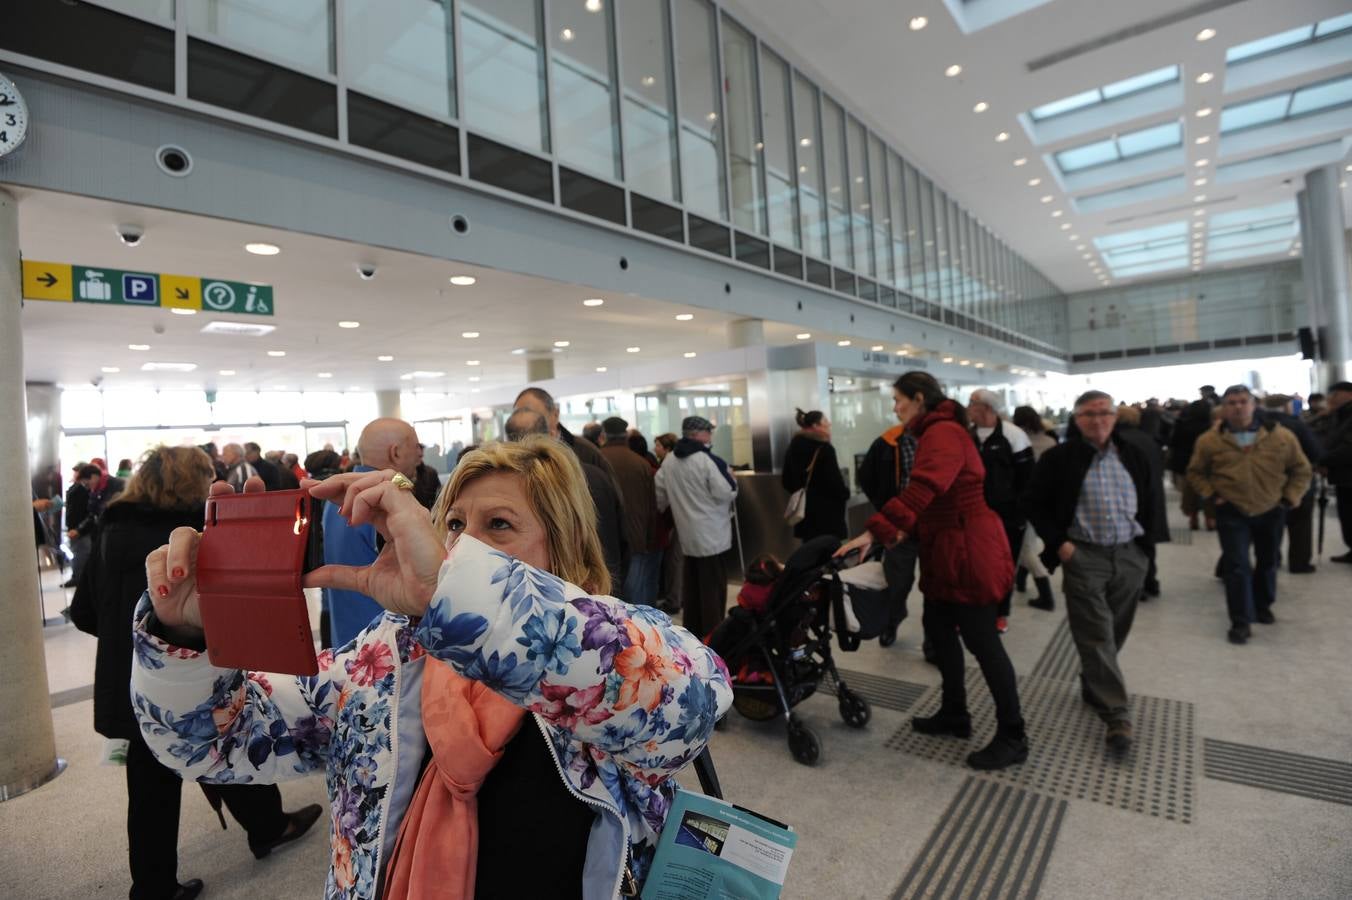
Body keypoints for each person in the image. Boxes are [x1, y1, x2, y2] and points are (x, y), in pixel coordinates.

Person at [130, 436, 731, 899]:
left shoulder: (617, 645)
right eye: (453, 526)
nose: (462, 548)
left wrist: (468, 598)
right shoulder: (379, 663)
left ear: (564, 542)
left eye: (498, 525)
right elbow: (216, 741)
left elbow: (694, 705)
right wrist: (187, 632)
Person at [69, 446, 321, 900]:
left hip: (127, 677)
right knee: (215, 746)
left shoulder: (112, 527)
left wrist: (123, 635)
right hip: (192, 671)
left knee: (153, 787)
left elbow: (82, 611)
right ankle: (266, 827)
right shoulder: (196, 535)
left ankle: (155, 883)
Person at [837, 372, 1026, 770]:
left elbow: (925, 488)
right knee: (940, 632)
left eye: (898, 399)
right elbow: (933, 503)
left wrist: (877, 530)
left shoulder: (942, 432)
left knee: (984, 643)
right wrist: (900, 531)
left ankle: (1013, 734)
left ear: (919, 398)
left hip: (967, 549)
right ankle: (955, 712)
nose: (895, 407)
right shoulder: (939, 430)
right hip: (946, 547)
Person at [1023, 390, 1155, 751]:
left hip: (1129, 555)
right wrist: (1061, 545)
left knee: (1115, 630)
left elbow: (1151, 500)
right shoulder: (1059, 458)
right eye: (1088, 414)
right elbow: (1033, 502)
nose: (1097, 420)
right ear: (1077, 420)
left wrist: (1146, 554)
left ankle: (1094, 681)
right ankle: (1117, 716)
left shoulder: (1133, 455)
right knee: (1096, 634)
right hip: (1084, 557)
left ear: (1114, 417)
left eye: (1104, 413)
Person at [1188, 386, 1312, 644]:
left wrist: (1290, 497)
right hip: (1232, 510)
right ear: (1224, 408)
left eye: (1243, 402)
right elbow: (1196, 472)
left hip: (1271, 508)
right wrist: (1212, 496)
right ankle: (1240, 620)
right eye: (1231, 402)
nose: (1237, 407)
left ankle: (1263, 605)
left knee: (1268, 562)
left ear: (1254, 405)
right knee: (1236, 566)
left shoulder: (1280, 436)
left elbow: (1301, 469)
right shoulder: (1210, 441)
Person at [506, 407, 629, 593]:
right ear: (551, 434)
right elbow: (618, 538)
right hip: (594, 587)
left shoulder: (504, 491)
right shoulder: (591, 475)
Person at [324, 417, 421, 646]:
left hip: (347, 639)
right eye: (416, 447)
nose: (420, 455)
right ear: (395, 452)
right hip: (386, 645)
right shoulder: (390, 501)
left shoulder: (335, 497)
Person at [655, 416, 738, 639]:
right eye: (708, 431)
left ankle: (694, 633)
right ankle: (714, 636)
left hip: (687, 536)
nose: (710, 435)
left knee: (692, 589)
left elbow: (659, 496)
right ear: (698, 434)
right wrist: (732, 479)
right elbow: (725, 492)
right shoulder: (706, 460)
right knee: (713, 589)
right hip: (713, 537)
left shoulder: (670, 460)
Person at [966, 389, 1033, 632]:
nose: (968, 407)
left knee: (1004, 566)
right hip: (972, 518)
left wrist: (1020, 515)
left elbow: (1028, 480)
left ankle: (1000, 613)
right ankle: (973, 611)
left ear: (986, 408)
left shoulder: (1014, 436)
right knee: (972, 566)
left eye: (972, 403)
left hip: (1007, 518)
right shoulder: (966, 436)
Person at [857, 407, 919, 646]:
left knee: (938, 586)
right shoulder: (888, 441)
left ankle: (936, 640)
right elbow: (866, 476)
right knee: (897, 580)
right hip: (899, 525)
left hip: (935, 526)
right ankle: (892, 620)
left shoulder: (940, 442)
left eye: (899, 400)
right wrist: (884, 507)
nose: (894, 407)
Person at [599, 416, 661, 606]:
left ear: (604, 435)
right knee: (636, 596)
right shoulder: (640, 463)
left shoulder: (597, 460)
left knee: (609, 596)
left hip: (604, 538)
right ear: (625, 435)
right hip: (636, 536)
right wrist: (650, 538)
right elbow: (652, 505)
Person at [1261, 394, 1324, 573]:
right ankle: (1299, 562)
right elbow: (1315, 452)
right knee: (1300, 523)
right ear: (1286, 406)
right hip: (1298, 481)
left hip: (1267, 483)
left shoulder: (1257, 425)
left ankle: (1272, 559)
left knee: (1271, 524)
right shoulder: (1297, 425)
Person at [1114, 406, 1171, 599]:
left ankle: (1138, 585)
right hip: (1152, 496)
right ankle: (1150, 581)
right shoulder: (1148, 439)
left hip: (1131, 498)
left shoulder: (1118, 442)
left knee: (1130, 544)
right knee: (1147, 542)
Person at [514, 387, 618, 487]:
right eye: (518, 414)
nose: (525, 422)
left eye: (534, 415)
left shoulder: (586, 453)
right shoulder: (511, 457)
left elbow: (608, 496)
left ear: (555, 414)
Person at [780, 408, 851, 543]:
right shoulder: (824, 449)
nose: (829, 424)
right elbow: (834, 483)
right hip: (827, 516)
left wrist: (803, 493)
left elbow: (786, 480)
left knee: (810, 553)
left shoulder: (793, 446)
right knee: (829, 553)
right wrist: (845, 494)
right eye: (825, 421)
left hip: (805, 514)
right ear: (815, 426)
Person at [1012, 406, 1057, 610]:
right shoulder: (1050, 442)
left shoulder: (1018, 442)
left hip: (1024, 501)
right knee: (1026, 544)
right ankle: (1020, 582)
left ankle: (1046, 595)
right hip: (1047, 502)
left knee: (1026, 547)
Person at [1312, 382, 1352, 562]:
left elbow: (1348, 448)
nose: (1330, 399)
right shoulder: (1339, 415)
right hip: (1343, 475)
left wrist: (1322, 459)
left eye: (1335, 394)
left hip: (1347, 472)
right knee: (1347, 515)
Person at [1168, 400, 1216, 531]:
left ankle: (1193, 518)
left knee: (1189, 492)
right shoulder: (1211, 427)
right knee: (1208, 491)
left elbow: (1173, 442)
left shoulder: (1181, 424)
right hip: (1207, 463)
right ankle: (1210, 519)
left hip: (1185, 461)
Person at [64, 463, 102, 587]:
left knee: (81, 554)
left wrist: (78, 529)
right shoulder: (79, 488)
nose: (75, 474)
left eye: (76, 471)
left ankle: (79, 579)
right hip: (78, 529)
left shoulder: (81, 489)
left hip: (80, 529)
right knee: (80, 553)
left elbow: (84, 512)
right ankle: (79, 578)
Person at [413, 444, 443, 511]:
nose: (420, 453)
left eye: (421, 449)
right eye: (416, 448)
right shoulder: (400, 474)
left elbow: (440, 498)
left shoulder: (431, 473)